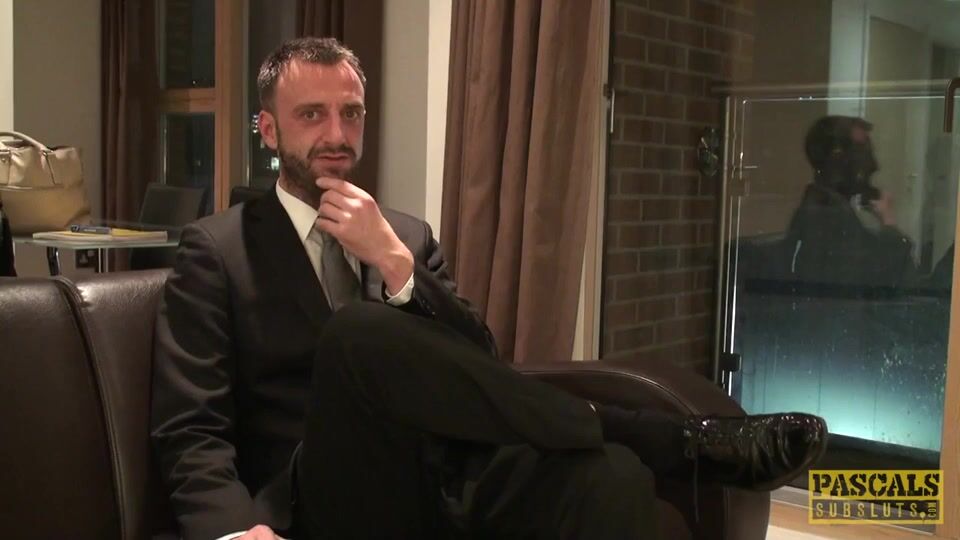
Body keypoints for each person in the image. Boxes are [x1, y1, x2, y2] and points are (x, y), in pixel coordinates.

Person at [151, 37, 828, 540]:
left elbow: (480, 362)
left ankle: (636, 442)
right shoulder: (218, 249)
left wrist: (396, 264)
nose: (337, 135)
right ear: (269, 130)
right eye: (312, 115)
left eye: (351, 114)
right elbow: (191, 428)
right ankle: (665, 436)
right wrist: (230, 531)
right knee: (358, 331)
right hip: (325, 493)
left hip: (443, 472)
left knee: (611, 476)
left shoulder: (404, 234)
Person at [783, 116, 916, 290]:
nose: (874, 166)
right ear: (837, 159)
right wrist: (889, 222)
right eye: (864, 153)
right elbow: (873, 280)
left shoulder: (825, 207)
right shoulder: (828, 215)